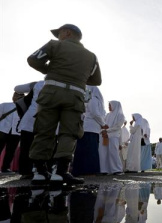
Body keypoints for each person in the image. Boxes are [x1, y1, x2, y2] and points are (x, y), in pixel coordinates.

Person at [27, 24, 101, 185]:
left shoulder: (54, 45)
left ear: (67, 33)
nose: (58, 36)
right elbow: (97, 80)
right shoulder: (91, 56)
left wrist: (49, 70)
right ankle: (60, 172)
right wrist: (79, 78)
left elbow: (33, 60)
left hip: (51, 92)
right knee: (69, 132)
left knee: (44, 130)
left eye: (59, 33)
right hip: (75, 95)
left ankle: (40, 171)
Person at [71, 85, 106, 177]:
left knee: (85, 150)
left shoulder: (89, 99)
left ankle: (81, 170)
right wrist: (103, 123)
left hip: (89, 128)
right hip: (90, 128)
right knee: (90, 150)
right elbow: (95, 113)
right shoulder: (93, 99)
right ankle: (88, 170)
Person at [14, 81, 45, 179]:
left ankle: (25, 172)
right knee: (44, 146)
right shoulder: (62, 84)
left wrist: (32, 85)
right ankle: (42, 170)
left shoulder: (38, 84)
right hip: (47, 120)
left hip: (30, 119)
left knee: (26, 147)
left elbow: (17, 88)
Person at [99, 101, 125, 175]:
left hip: (114, 136)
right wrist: (104, 130)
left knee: (113, 153)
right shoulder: (107, 115)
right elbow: (103, 124)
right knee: (103, 153)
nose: (109, 107)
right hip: (105, 135)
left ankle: (117, 170)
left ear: (114, 106)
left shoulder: (120, 115)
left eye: (110, 105)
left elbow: (117, 127)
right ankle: (104, 170)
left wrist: (107, 130)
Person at [0, 93, 22, 174]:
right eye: (16, 95)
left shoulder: (24, 108)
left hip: (15, 132)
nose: (18, 97)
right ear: (13, 97)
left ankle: (5, 168)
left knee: (11, 151)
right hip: (2, 130)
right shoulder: (4, 105)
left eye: (21, 96)